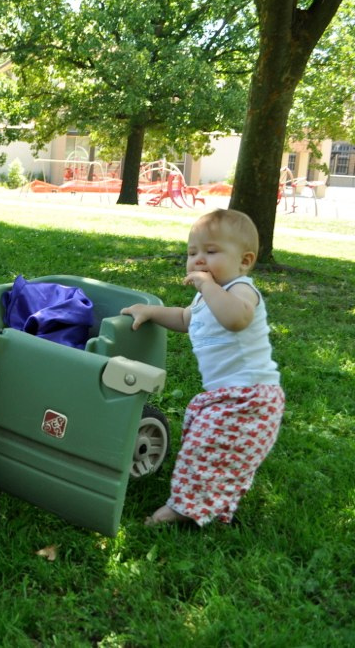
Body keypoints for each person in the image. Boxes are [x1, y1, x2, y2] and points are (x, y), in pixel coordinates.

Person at [121, 209, 284, 527]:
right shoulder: (203, 301)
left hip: (250, 397)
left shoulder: (241, 290)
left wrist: (208, 287)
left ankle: (182, 509)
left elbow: (236, 318)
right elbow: (184, 318)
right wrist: (152, 311)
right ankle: (216, 507)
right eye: (192, 252)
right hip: (228, 394)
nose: (198, 260)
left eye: (211, 252)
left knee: (204, 448)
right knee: (214, 449)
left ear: (245, 261)